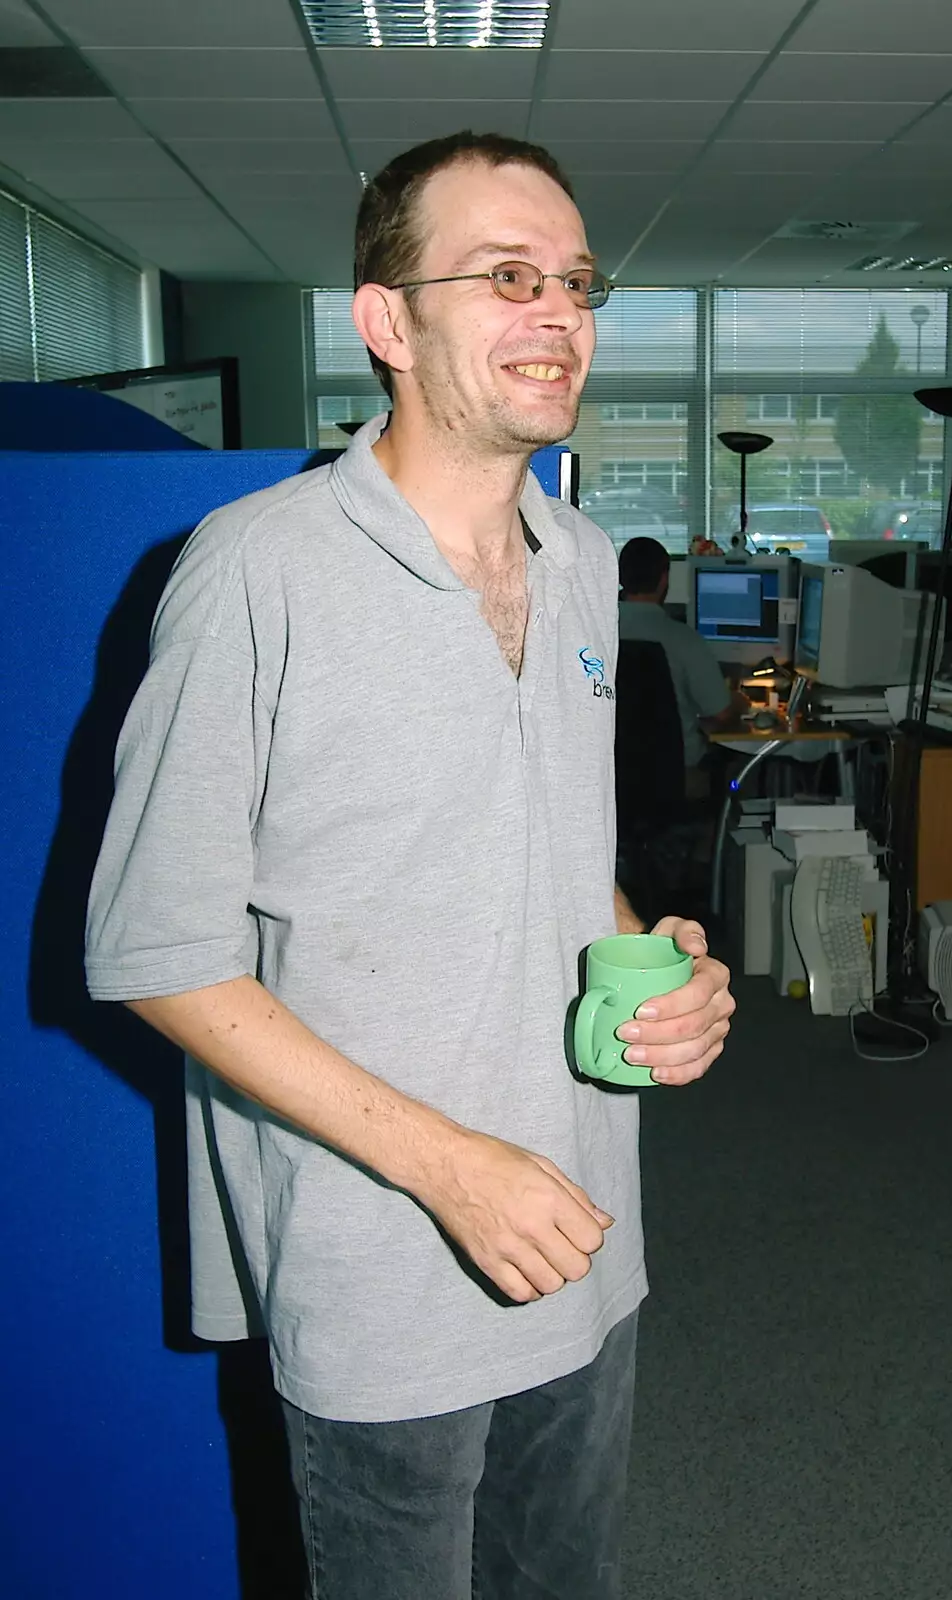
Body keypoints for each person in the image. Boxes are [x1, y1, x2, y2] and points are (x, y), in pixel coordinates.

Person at [85, 131, 735, 1600]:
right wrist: (451, 1169)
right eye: (507, 275)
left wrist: (662, 970)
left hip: (582, 1216)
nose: (559, 312)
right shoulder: (255, 570)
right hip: (385, 1245)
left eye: (575, 280)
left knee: (561, 1580)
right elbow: (155, 948)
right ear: (386, 320)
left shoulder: (578, 555)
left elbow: (558, 854)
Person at [618, 536, 746, 792]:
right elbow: (720, 713)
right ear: (664, 578)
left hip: (612, 781)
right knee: (742, 769)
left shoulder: (596, 633)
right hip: (677, 776)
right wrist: (742, 700)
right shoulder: (684, 639)